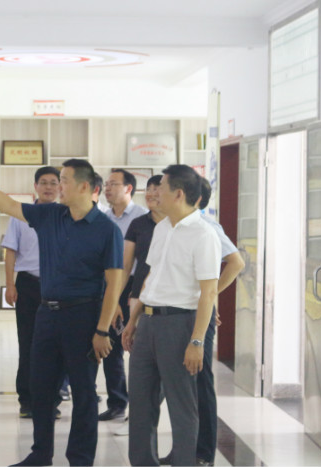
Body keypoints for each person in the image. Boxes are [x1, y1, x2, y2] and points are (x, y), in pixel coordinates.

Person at [0, 159, 124, 466]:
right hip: (46, 313)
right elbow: (7, 204)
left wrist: (102, 330)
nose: (57, 186)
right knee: (40, 387)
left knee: (83, 392)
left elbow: (114, 284)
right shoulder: (49, 215)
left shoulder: (107, 230)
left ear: (84, 186)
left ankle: (80, 459)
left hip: (83, 317)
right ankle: (41, 454)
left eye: (64, 180)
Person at [123, 165, 221, 466]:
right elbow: (151, 277)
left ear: (178, 194)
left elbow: (208, 293)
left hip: (180, 325)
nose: (154, 194)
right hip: (148, 322)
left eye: (160, 188)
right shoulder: (162, 227)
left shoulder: (204, 235)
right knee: (141, 402)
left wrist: (197, 341)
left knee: (182, 407)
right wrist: (133, 319)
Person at [159, 176, 245, 466]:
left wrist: (209, 295)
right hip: (173, 314)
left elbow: (236, 262)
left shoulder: (207, 226)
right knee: (180, 386)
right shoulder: (169, 227)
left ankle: (203, 453)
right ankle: (183, 449)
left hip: (197, 316)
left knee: (199, 383)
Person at [1, 166, 61, 418]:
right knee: (27, 342)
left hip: (58, 286)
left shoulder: (66, 214)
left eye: (53, 183)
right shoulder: (21, 215)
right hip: (28, 284)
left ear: (60, 187)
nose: (48, 187)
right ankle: (26, 399)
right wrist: (10, 284)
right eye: (43, 182)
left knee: (56, 345)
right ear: (35, 187)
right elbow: (10, 251)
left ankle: (52, 400)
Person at [113, 174, 165, 436]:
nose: (152, 194)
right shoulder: (139, 224)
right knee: (140, 360)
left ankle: (147, 415)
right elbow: (125, 266)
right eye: (149, 189)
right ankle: (138, 419)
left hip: (169, 300)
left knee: (165, 363)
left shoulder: (175, 224)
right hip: (139, 297)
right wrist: (114, 300)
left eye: (158, 189)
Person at [98, 169, 148, 421]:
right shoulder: (103, 219)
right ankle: (117, 403)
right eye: (106, 184)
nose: (107, 189)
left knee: (138, 348)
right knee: (111, 346)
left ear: (129, 188)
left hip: (135, 289)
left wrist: (120, 297)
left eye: (113, 184)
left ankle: (142, 407)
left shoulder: (142, 218)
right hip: (108, 286)